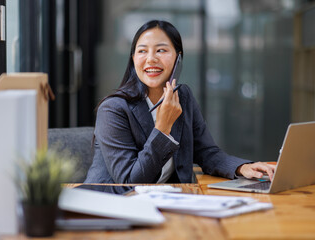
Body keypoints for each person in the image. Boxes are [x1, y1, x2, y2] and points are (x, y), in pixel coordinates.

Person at [84, 20, 275, 184]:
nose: (151, 59)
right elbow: (129, 181)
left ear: (178, 57)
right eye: (142, 51)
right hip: (111, 206)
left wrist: (242, 167)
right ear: (133, 59)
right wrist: (163, 127)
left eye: (161, 50)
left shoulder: (182, 96)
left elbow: (206, 152)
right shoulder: (113, 109)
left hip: (165, 201)